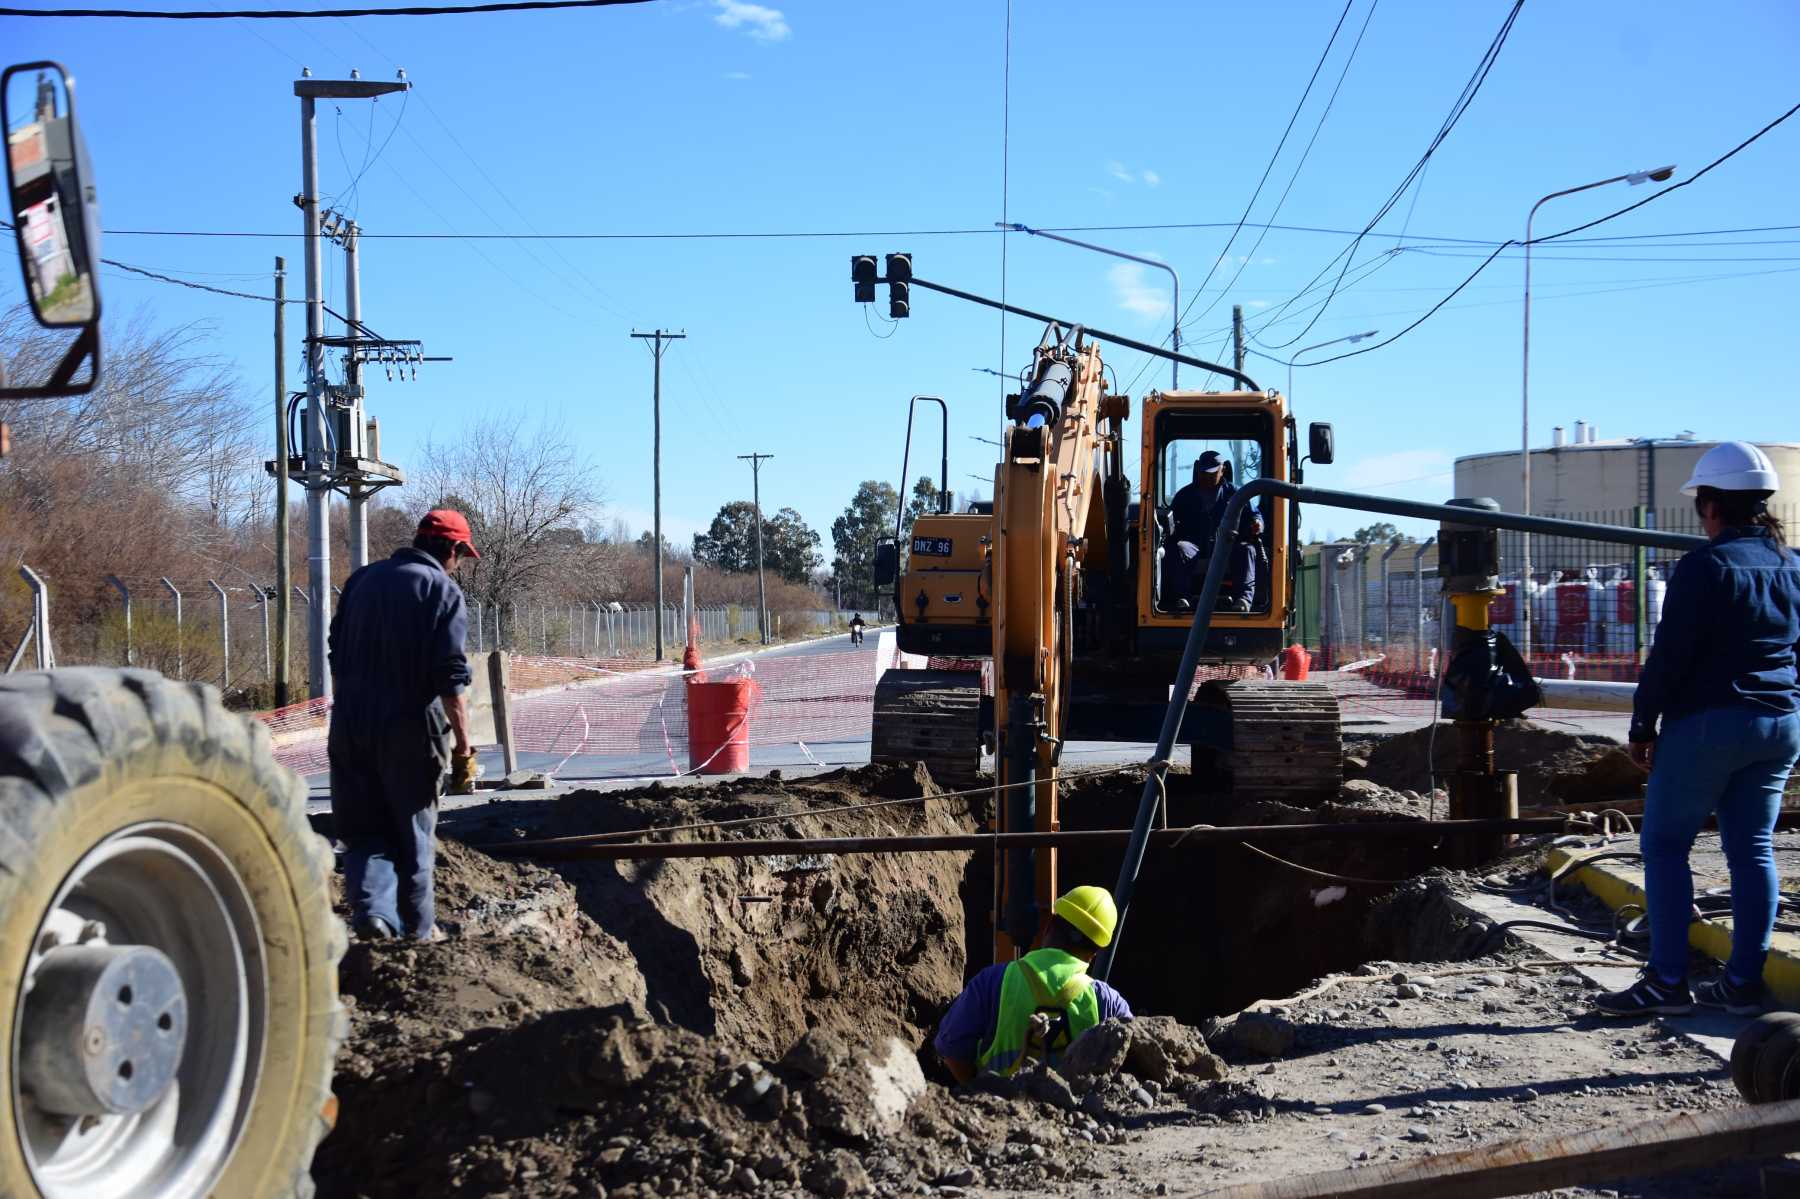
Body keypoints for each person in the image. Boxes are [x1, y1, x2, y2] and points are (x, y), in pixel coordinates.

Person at [1596, 443, 1800, 1017]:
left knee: (1663, 845)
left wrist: (1643, 723)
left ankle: (1666, 981)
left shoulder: (1705, 565)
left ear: (1711, 505)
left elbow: (1670, 656)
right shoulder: (1794, 564)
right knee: (1753, 848)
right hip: (1780, 722)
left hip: (1710, 723)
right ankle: (1743, 983)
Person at [328, 509, 479, 942]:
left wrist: (351, 714)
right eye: (461, 555)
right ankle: (418, 932)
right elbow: (451, 679)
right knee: (413, 832)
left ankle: (374, 914)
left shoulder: (362, 581)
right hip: (410, 728)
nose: (459, 563)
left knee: (363, 832)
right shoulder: (441, 590)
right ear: (452, 549)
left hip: (350, 725)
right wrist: (464, 747)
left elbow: (336, 656)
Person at [935, 886, 1133, 1082]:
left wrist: (977, 1094)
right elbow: (1134, 1058)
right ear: (1095, 953)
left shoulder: (993, 980)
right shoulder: (1108, 1002)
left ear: (1049, 926)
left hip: (994, 1108)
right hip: (1074, 1112)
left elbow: (951, 1046)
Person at [1162, 451, 1238, 609]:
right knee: (1179, 548)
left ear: (1222, 470)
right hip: (1194, 545)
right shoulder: (1184, 496)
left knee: (1247, 549)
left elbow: (1255, 516)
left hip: (1227, 546)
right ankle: (1182, 598)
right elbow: (1171, 523)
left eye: (1212, 473)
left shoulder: (1236, 494)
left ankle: (1243, 600)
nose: (1207, 477)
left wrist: (1257, 523)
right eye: (1203, 472)